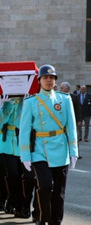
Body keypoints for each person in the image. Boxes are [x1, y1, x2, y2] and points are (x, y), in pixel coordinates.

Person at [19, 64, 78, 225]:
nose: (48, 80)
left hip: (60, 148)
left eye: (51, 78)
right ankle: (42, 217)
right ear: (39, 81)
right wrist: (25, 155)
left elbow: (71, 127)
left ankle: (56, 221)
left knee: (59, 191)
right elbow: (24, 131)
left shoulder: (64, 99)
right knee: (44, 187)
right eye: (45, 77)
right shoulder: (31, 102)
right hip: (40, 149)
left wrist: (73, 151)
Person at [61, 82, 82, 158]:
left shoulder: (74, 97)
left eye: (62, 88)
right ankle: (66, 153)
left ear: (66, 89)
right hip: (62, 122)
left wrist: (79, 120)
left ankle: (75, 153)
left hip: (73, 121)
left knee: (74, 137)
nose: (61, 89)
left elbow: (78, 109)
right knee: (64, 137)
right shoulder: (59, 97)